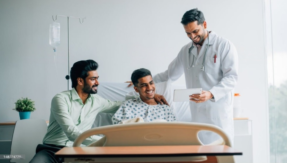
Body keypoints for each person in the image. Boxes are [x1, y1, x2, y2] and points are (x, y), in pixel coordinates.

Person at [128, 9, 238, 144]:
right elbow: (169, 74)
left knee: (220, 154)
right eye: (188, 33)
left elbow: (231, 77)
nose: (192, 36)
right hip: (198, 114)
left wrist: (210, 94)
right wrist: (143, 82)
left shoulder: (224, 45)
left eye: (195, 31)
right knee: (202, 155)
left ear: (205, 24)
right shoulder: (186, 51)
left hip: (218, 113)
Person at [30, 60, 168, 163]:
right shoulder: (60, 99)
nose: (98, 83)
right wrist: (105, 140)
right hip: (52, 150)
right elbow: (72, 133)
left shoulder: (97, 101)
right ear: (80, 81)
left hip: (79, 151)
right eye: (93, 79)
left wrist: (149, 94)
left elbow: (124, 105)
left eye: (97, 78)